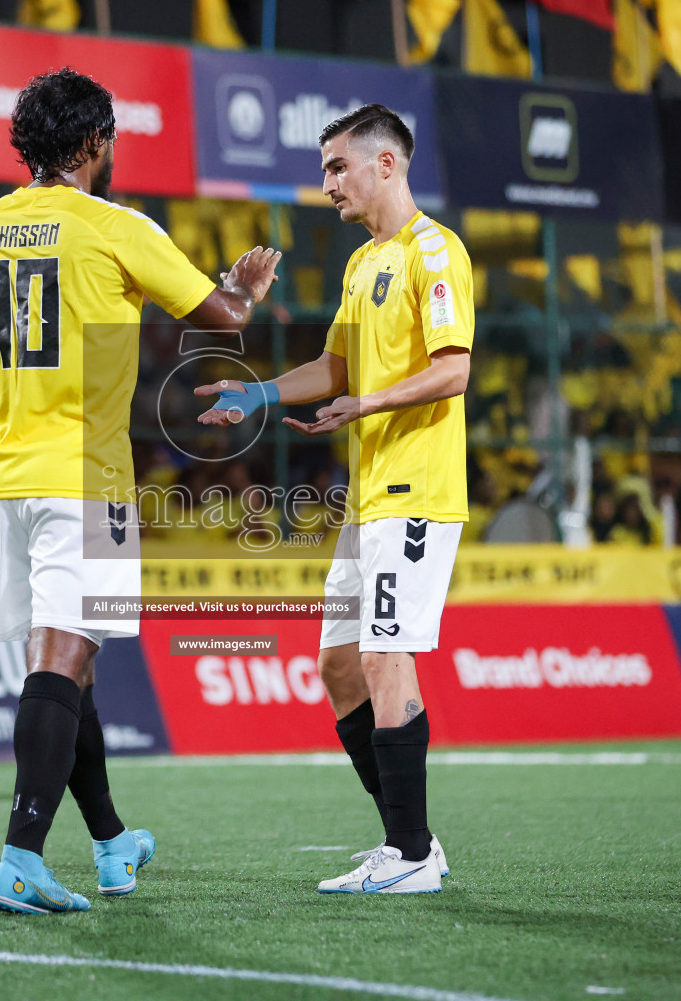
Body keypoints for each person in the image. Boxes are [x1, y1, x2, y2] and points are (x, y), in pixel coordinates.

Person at [0, 68, 279, 915]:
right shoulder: (116, 226)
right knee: (63, 659)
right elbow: (224, 320)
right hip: (84, 473)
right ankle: (21, 857)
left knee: (73, 665)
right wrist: (245, 286)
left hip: (0, 472)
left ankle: (110, 845)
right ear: (97, 142)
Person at [197, 104, 471, 896]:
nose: (327, 185)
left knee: (386, 653)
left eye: (337, 168)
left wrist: (369, 406)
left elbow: (453, 369)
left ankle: (412, 854)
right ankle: (406, 842)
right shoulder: (362, 264)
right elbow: (336, 367)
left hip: (416, 489)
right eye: (325, 171)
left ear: (387, 165)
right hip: (368, 497)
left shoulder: (435, 252)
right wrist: (255, 395)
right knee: (338, 665)